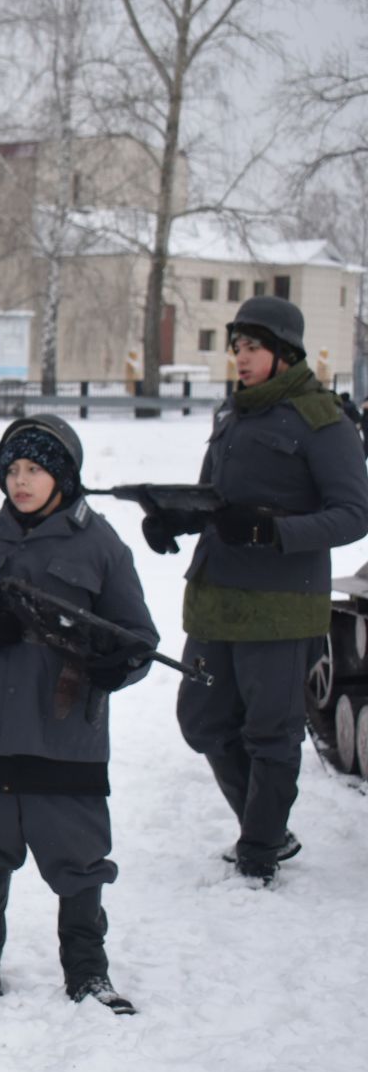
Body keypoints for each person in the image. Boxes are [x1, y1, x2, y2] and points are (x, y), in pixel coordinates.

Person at [0, 417, 153, 1014]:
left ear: (63, 475)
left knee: (79, 858)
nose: (20, 481)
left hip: (64, 732)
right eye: (12, 470)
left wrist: (117, 667)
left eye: (33, 469)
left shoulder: (99, 542)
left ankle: (87, 974)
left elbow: (139, 638)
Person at [146, 297, 368, 885]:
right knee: (202, 719)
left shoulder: (322, 419)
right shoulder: (233, 414)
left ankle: (261, 845)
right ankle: (267, 825)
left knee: (269, 732)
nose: (240, 359)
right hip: (216, 597)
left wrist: (274, 532)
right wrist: (171, 519)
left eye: (253, 348)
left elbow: (353, 514)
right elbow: (212, 498)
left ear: (284, 352)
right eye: (237, 348)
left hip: (280, 605)